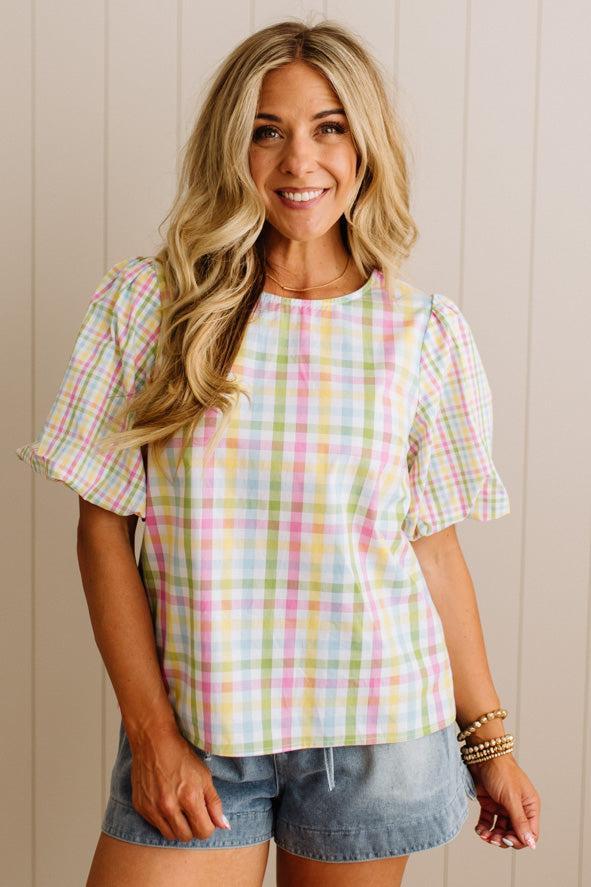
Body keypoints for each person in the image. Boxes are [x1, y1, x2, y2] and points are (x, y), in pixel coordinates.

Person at [16, 17, 541, 887]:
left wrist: (489, 742)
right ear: (232, 148)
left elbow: (434, 552)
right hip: (198, 732)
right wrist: (152, 735)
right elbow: (102, 529)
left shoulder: (422, 333)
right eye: (267, 131)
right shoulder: (146, 307)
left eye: (328, 128)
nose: (300, 161)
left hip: (377, 739)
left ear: (364, 145)